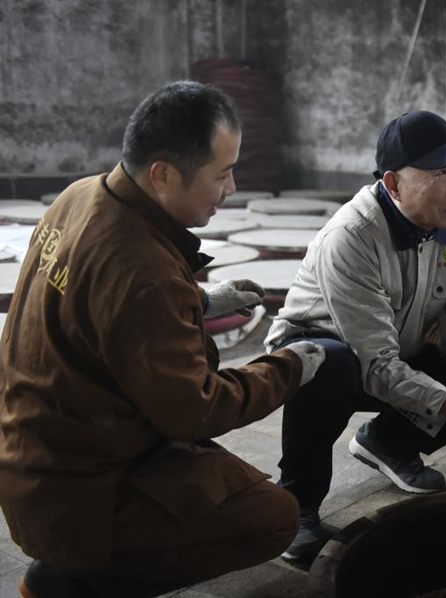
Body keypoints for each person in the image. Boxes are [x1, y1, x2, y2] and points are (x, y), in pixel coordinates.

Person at [0, 81, 326, 598]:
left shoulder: (80, 195)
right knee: (271, 516)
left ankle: (69, 565)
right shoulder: (144, 273)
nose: (232, 188)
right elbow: (194, 410)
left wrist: (197, 301)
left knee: (215, 474)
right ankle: (71, 581)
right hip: (78, 490)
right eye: (222, 174)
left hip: (33, 457)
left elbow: (101, 306)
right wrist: (288, 368)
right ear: (163, 175)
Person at [265, 110, 446, 561]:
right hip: (323, 353)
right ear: (393, 183)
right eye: (440, 173)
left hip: (397, 351)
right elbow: (375, 363)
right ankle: (296, 506)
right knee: (328, 365)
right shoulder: (352, 237)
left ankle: (387, 442)